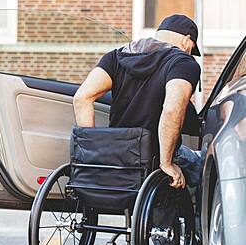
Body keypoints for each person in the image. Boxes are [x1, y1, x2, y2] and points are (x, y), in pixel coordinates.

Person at [73, 14, 201, 189]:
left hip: (117, 153)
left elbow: (82, 98)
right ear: (187, 41)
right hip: (154, 157)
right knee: (206, 164)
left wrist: (93, 153)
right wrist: (166, 163)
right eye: (192, 48)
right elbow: (172, 109)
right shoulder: (183, 62)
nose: (190, 53)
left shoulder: (116, 56)